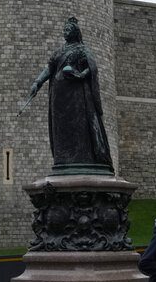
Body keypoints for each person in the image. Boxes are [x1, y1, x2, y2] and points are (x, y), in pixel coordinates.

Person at [29, 17, 113, 173]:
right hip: (59, 96)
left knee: (80, 126)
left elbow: (92, 68)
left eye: (68, 30)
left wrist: (81, 75)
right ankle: (63, 159)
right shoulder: (59, 52)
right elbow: (49, 69)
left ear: (75, 32)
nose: (65, 32)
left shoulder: (82, 50)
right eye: (64, 30)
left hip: (77, 96)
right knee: (61, 128)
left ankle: (83, 158)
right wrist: (37, 83)